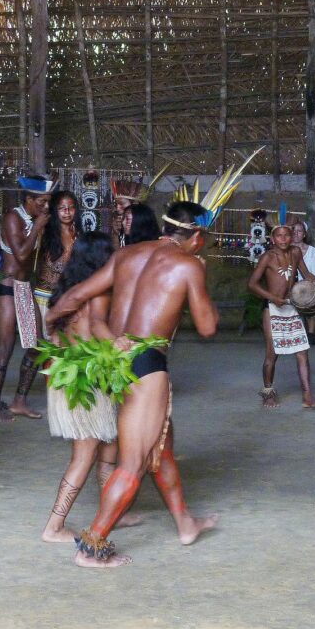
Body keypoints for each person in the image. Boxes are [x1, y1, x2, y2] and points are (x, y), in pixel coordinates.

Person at [45, 201, 220, 568]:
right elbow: (207, 328)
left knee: (162, 446)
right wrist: (202, 288)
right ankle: (91, 547)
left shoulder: (126, 255)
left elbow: (74, 297)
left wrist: (47, 325)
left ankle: (185, 522)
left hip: (114, 364)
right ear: (197, 237)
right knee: (134, 462)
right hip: (145, 363)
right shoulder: (188, 265)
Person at [39, 231, 135, 543]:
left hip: (75, 375)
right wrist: (117, 341)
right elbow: (96, 326)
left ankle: (113, 514)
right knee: (84, 455)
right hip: (84, 381)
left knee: (109, 447)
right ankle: (53, 526)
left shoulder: (69, 289)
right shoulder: (98, 291)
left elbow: (52, 324)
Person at [0, 175, 54, 421]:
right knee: (5, 348)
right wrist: (37, 228)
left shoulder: (33, 219)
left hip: (24, 289)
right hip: (8, 288)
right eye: (42, 202)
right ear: (29, 199)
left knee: (37, 347)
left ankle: (19, 401)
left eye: (48, 202)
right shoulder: (13, 218)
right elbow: (22, 254)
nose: (45, 207)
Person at [11, 190, 79, 417]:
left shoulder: (80, 235)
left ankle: (62, 400)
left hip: (68, 300)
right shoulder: (44, 235)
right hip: (43, 297)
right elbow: (23, 256)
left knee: (65, 349)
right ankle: (19, 400)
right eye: (62, 208)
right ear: (54, 210)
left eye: (71, 208)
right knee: (37, 350)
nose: (67, 212)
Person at [248, 222, 315, 409]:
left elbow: (306, 273)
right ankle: (268, 393)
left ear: (292, 237)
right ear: (272, 239)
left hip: (291, 306)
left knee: (302, 352)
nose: (283, 239)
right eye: (279, 236)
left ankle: (307, 395)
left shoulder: (295, 253)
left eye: (287, 235)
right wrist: (273, 297)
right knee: (272, 354)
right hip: (272, 308)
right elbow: (252, 284)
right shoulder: (268, 257)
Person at [291, 220, 315, 344]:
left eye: (299, 231)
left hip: (308, 284)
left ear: (304, 234)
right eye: (293, 231)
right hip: (291, 286)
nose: (296, 234)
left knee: (312, 297)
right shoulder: (286, 250)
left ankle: (311, 333)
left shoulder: (312, 251)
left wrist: (314, 288)